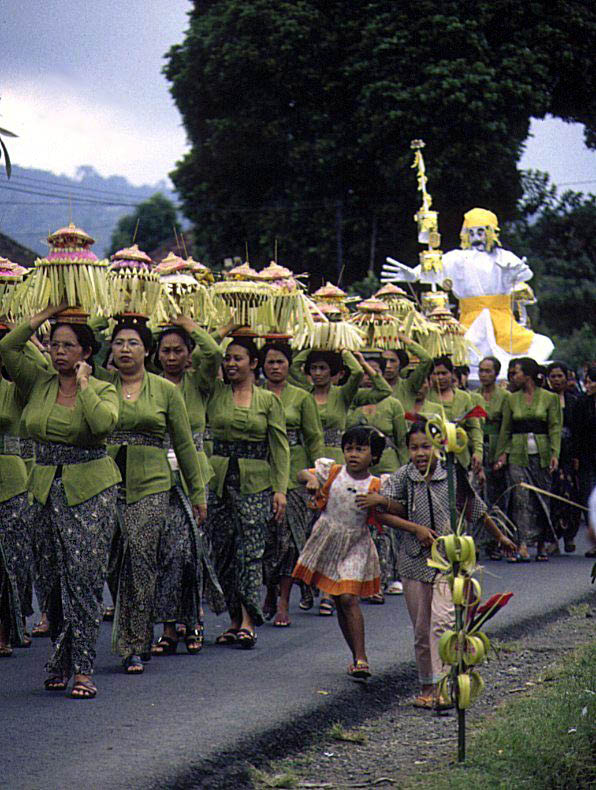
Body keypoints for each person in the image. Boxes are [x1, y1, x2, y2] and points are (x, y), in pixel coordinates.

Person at [0, 303, 121, 698]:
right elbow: (8, 346)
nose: (59, 352)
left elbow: (102, 425)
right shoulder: (39, 382)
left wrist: (84, 385)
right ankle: (61, 657)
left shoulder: (103, 388)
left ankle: (83, 668)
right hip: (43, 487)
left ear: (86, 352)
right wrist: (47, 313)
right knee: (50, 579)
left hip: (90, 489)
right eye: (54, 345)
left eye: (68, 346)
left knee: (83, 578)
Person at [359, 423, 515, 709]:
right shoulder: (403, 476)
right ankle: (428, 687)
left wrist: (500, 536)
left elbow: (475, 508)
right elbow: (381, 513)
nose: (420, 453)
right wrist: (415, 529)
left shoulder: (452, 474)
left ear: (439, 447)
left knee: (443, 623)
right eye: (414, 448)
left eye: (426, 447)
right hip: (414, 561)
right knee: (421, 630)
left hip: (449, 561)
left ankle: (446, 686)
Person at [97, 317, 207, 674]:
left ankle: (135, 644)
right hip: (106, 482)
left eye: (133, 343)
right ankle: (128, 627)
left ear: (148, 351)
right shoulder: (100, 386)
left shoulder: (165, 390)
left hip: (152, 484)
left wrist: (197, 493)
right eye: (118, 342)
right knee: (114, 563)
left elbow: (185, 445)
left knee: (142, 561)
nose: (125, 349)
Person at [151, 317, 229, 655]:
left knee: (192, 551)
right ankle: (169, 627)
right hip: (157, 475)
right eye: (165, 351)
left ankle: (194, 621)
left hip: (194, 475)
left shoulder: (198, 383)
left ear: (188, 355)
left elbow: (213, 352)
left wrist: (188, 324)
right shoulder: (149, 384)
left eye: (178, 351)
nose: (171, 357)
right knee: (166, 553)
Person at [290, 347, 389, 615]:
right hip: (310, 462)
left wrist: (343, 349)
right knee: (310, 527)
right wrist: (312, 343)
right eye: (314, 368)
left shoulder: (342, 395)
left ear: (334, 372)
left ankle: (328, 592)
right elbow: (292, 368)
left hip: (338, 462)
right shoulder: (302, 394)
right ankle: (310, 583)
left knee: (337, 525)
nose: (318, 373)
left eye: (324, 368)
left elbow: (358, 374)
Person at [206, 336, 289, 649]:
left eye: (237, 358)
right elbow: (204, 355)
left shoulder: (268, 400)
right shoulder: (215, 393)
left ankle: (248, 620)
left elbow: (279, 447)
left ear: (253, 363)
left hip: (256, 482)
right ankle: (232, 619)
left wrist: (280, 490)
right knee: (223, 550)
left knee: (251, 551)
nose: (230, 364)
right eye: (227, 358)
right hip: (219, 479)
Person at [293, 426, 386, 681]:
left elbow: (393, 509)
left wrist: (380, 501)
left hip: (356, 544)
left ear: (374, 456)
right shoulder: (333, 472)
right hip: (328, 540)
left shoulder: (376, 485)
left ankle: (361, 657)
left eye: (360, 449)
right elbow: (302, 473)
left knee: (348, 598)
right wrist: (311, 479)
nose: (353, 454)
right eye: (349, 449)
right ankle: (355, 656)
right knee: (338, 598)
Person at [261, 341, 324, 626]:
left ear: (289, 365)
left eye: (280, 362)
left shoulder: (301, 397)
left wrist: (317, 475)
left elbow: (314, 439)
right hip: (262, 471)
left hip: (295, 474)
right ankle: (269, 590)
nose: (275, 367)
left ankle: (283, 600)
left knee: (288, 541)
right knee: (265, 539)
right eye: (270, 362)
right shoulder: (254, 394)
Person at [347, 353, 408, 598]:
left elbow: (402, 440)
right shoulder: (352, 400)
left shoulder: (392, 404)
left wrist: (406, 470)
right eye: (364, 372)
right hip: (359, 468)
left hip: (388, 466)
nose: (368, 376)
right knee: (361, 521)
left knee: (386, 521)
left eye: (373, 372)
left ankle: (390, 574)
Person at [495, 357, 562, 561]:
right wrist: (502, 454)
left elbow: (555, 428)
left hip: (542, 454)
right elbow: (506, 429)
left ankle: (542, 544)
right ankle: (522, 544)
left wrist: (555, 453)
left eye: (516, 373)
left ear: (528, 375)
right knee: (520, 499)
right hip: (517, 454)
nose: (512, 377)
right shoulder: (511, 399)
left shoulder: (550, 398)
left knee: (541, 498)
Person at [426, 356, 484, 479]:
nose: (440, 377)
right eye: (436, 374)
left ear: (452, 373)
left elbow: (474, 427)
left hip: (460, 457)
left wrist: (478, 451)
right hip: (432, 458)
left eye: (444, 373)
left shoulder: (464, 397)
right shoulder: (426, 397)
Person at [545, 362, 580, 554]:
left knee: (570, 494)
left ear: (567, 378)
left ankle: (569, 536)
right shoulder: (544, 399)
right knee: (552, 496)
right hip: (549, 453)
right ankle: (553, 538)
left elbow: (579, 430)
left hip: (569, 454)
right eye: (553, 376)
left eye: (560, 376)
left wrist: (576, 455)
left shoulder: (574, 401)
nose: (557, 380)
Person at [477, 356, 510, 559]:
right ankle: (479, 541)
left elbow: (507, 426)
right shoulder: (473, 395)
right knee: (479, 496)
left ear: (496, 373)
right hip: (479, 444)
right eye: (481, 370)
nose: (484, 375)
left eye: (488, 371)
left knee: (497, 497)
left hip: (497, 444)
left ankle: (498, 540)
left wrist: (503, 453)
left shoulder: (505, 396)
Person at [571, 366, 596, 557]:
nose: (587, 386)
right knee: (589, 497)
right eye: (586, 382)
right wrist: (576, 457)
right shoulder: (581, 403)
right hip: (587, 457)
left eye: (591, 382)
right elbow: (576, 432)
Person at [381, 333, 433, 413]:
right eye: (384, 361)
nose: (388, 366)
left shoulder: (408, 386)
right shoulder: (372, 387)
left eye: (392, 361)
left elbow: (426, 359)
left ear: (400, 364)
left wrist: (405, 339)